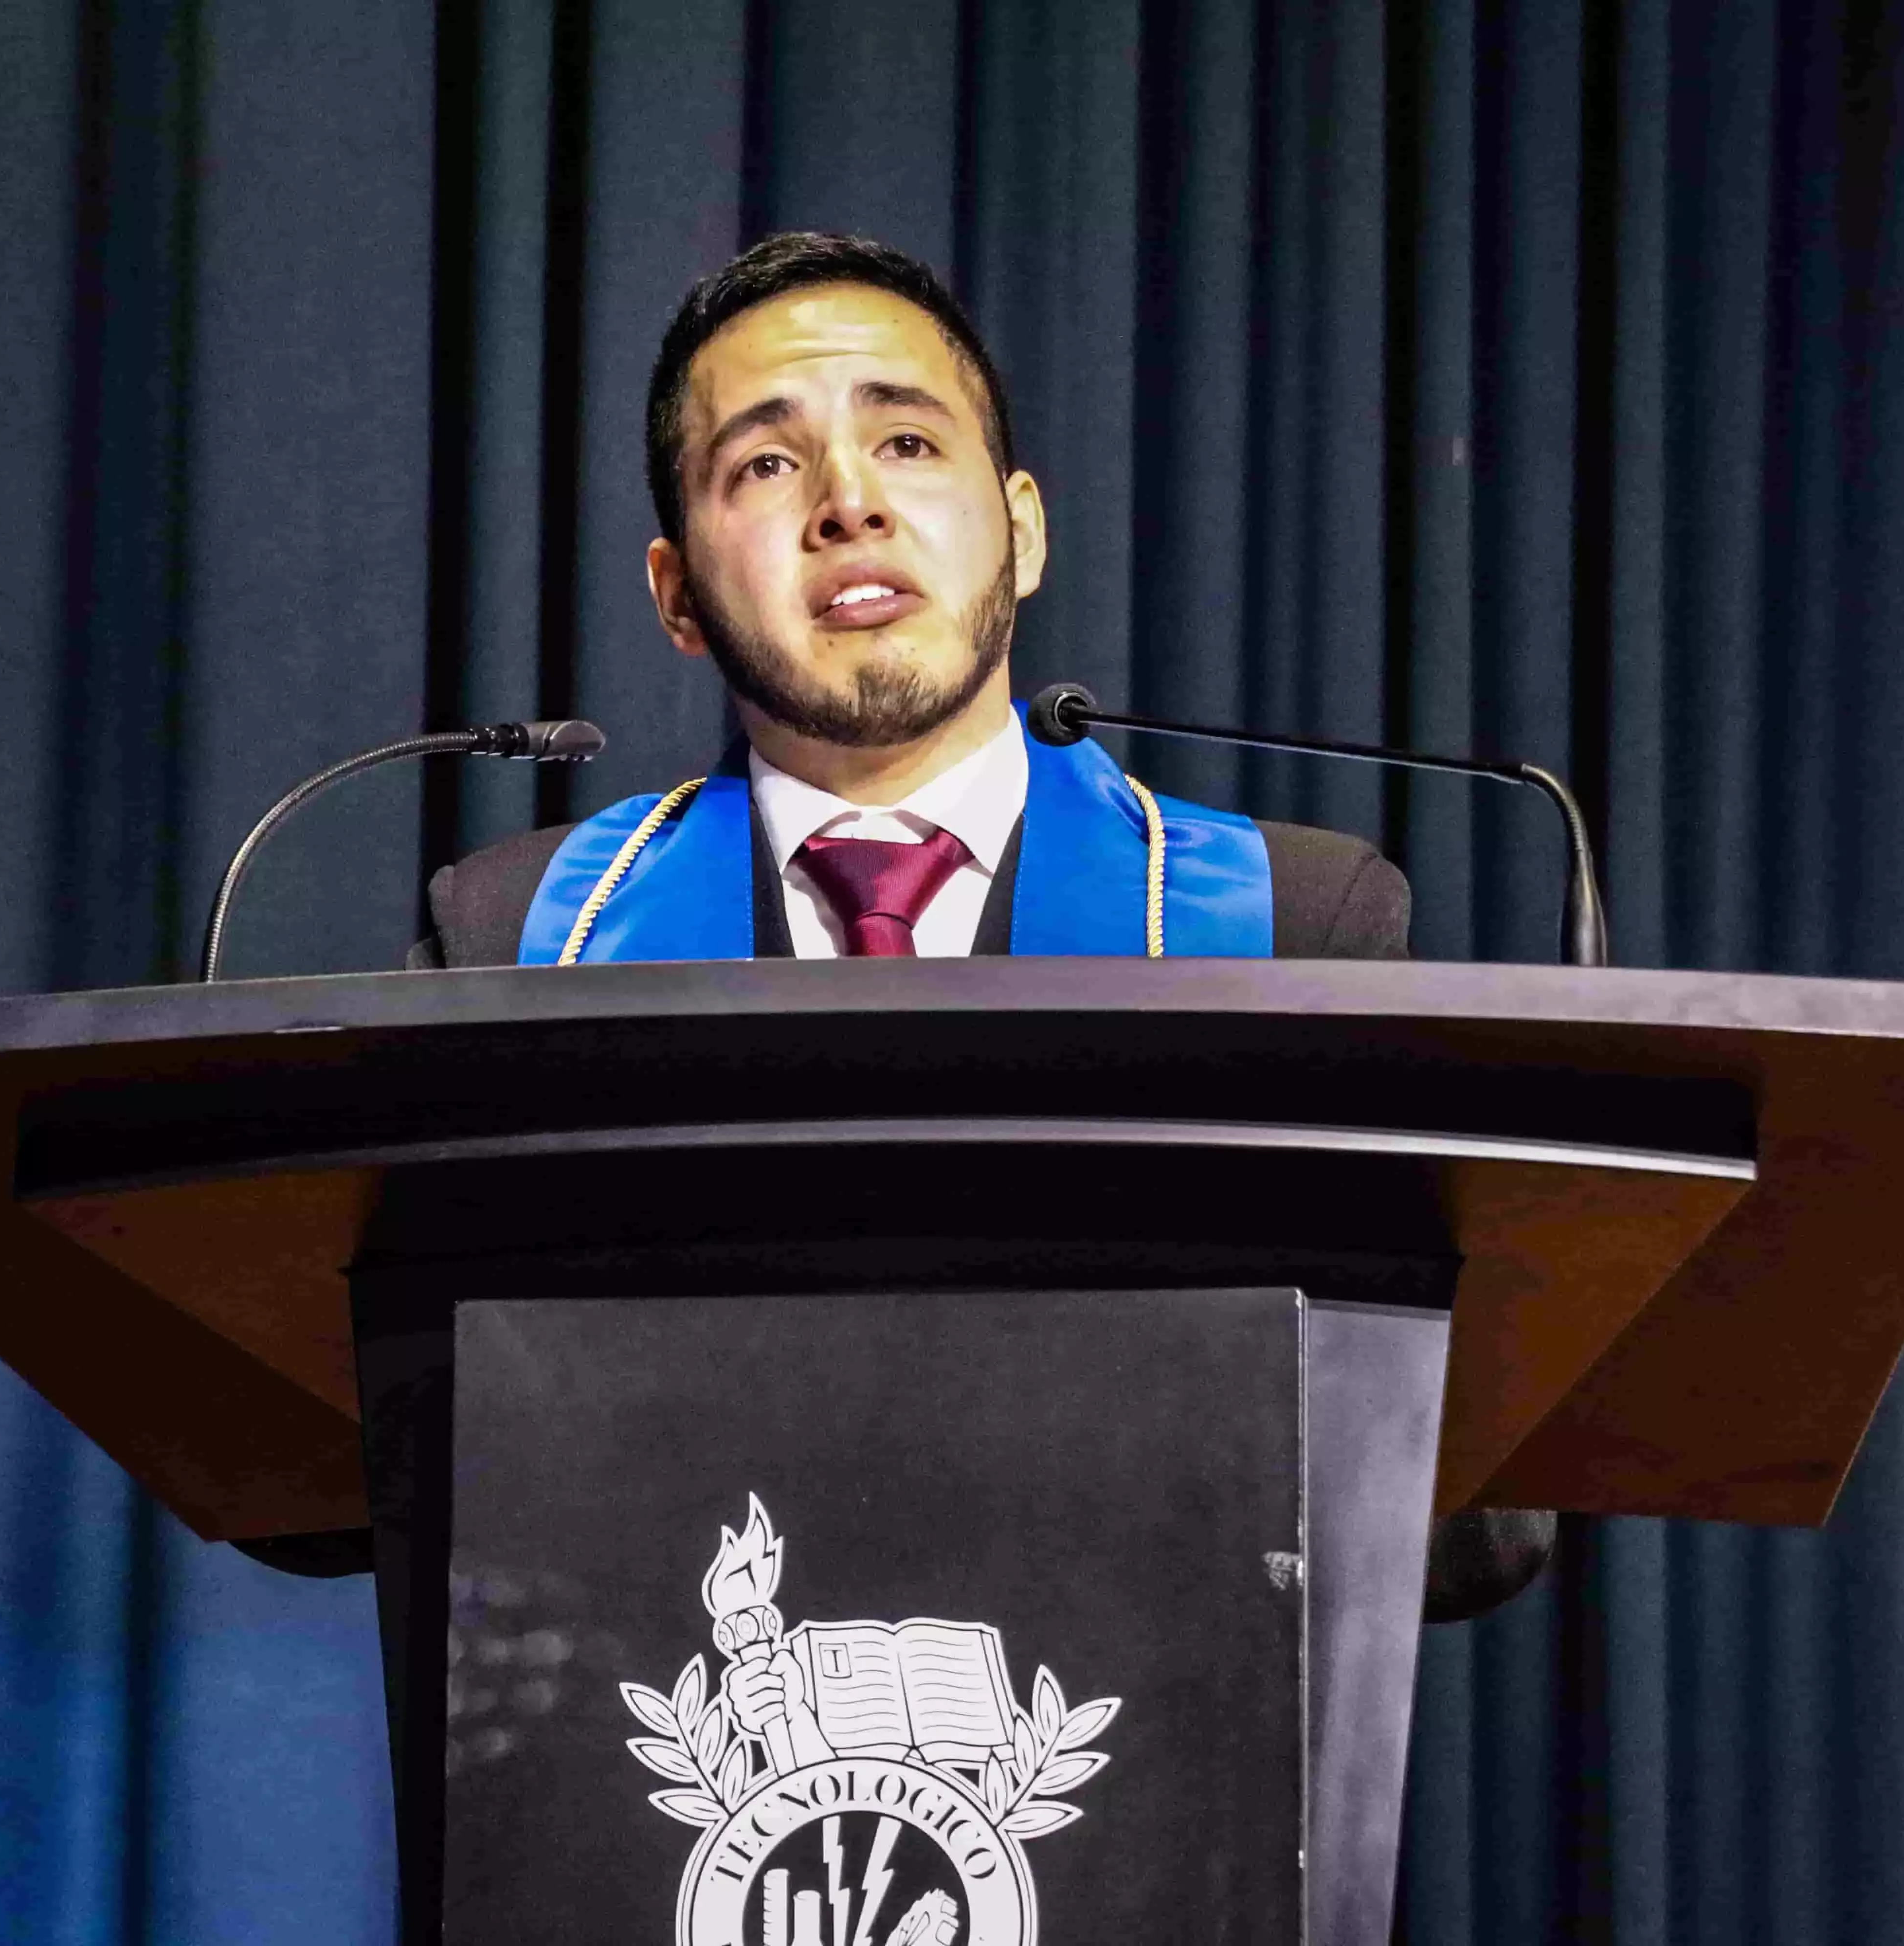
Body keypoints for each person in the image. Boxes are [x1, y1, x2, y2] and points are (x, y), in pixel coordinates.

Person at [408, 231, 1550, 1618]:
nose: (848, 505)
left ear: (1025, 526)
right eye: (765, 465)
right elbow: (356, 1468)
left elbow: (1471, 1525)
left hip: (1169, 1779)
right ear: (676, 598)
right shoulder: (523, 943)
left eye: (907, 443)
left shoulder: (1292, 927)